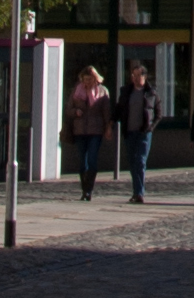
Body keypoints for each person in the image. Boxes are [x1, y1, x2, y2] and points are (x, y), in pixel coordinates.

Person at [68, 62, 112, 199]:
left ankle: (89, 189)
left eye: (90, 79)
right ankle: (84, 189)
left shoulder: (103, 91)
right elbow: (68, 110)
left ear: (95, 79)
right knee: (82, 161)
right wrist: (76, 112)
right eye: (85, 79)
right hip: (80, 131)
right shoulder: (76, 91)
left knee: (92, 159)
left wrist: (108, 127)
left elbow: (107, 112)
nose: (87, 82)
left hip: (96, 130)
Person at [117, 60, 159, 203]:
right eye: (133, 75)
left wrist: (150, 128)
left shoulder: (151, 93)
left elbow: (158, 114)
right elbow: (119, 109)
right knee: (132, 162)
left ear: (144, 77)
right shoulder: (126, 92)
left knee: (140, 161)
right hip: (129, 132)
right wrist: (111, 123)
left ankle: (139, 193)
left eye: (138, 75)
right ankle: (136, 191)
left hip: (144, 133)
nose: (135, 78)